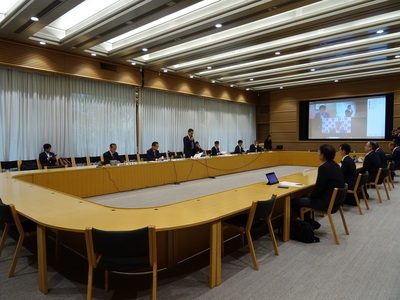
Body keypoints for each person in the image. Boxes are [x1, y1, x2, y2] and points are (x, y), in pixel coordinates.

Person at [291, 144, 344, 229]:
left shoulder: (324, 167)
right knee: (304, 196)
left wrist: (310, 196)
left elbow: (319, 188)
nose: (318, 154)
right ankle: (311, 222)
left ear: (322, 155)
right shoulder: (336, 165)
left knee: (294, 202)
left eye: (319, 152)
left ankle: (309, 224)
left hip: (326, 203)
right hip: (335, 202)